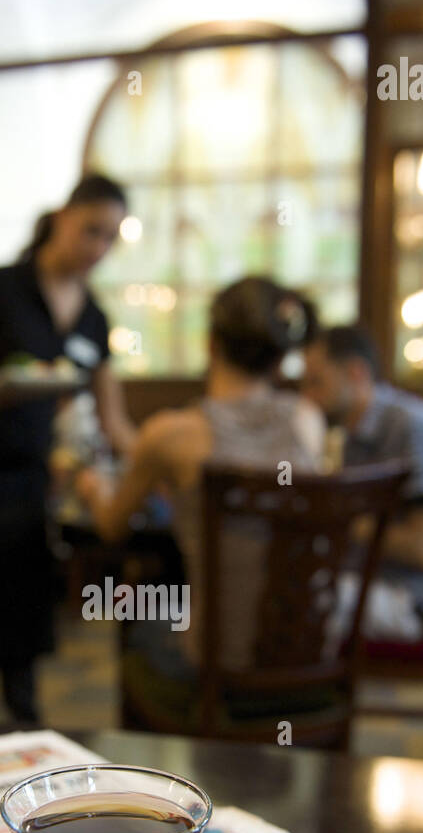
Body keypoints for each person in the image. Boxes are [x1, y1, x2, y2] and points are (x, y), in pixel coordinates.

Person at [0, 173, 135, 723]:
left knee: (21, 605)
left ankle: (23, 733)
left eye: (110, 238)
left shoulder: (93, 317)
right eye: (91, 231)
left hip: (26, 477)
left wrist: (162, 463)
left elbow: (114, 422)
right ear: (62, 217)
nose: (98, 248)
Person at [74, 277, 325, 717]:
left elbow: (111, 525)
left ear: (210, 344)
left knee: (142, 613)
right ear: (281, 354)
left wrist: (94, 488)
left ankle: (152, 772)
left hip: (213, 662)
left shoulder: (172, 435)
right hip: (308, 651)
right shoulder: (309, 421)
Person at [302, 325, 423, 640]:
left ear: (356, 373)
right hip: (379, 585)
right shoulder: (355, 435)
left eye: (316, 382)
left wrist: (343, 524)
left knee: (297, 603)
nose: (306, 397)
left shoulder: (416, 429)